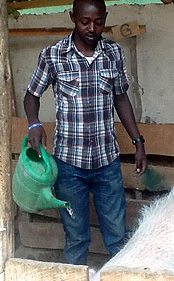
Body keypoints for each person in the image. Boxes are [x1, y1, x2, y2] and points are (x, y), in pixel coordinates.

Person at [23, 0, 147, 265]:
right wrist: (34, 124)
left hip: (107, 163)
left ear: (105, 18)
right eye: (85, 22)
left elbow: (121, 98)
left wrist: (138, 142)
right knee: (77, 238)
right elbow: (31, 96)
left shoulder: (113, 53)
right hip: (69, 165)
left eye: (98, 22)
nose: (92, 28)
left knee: (117, 237)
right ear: (72, 18)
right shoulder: (53, 55)